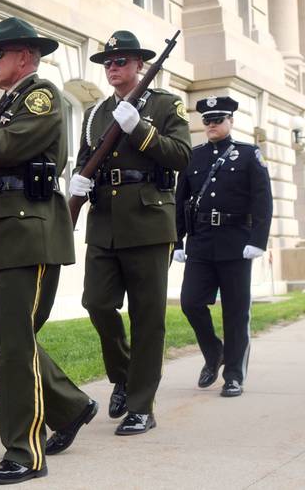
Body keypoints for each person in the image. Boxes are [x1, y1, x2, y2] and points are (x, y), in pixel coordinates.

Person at [0, 17, 98, 485]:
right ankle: (72, 406)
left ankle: (25, 452)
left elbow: (9, 146)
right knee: (8, 340)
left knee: (15, 345)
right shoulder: (3, 105)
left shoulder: (42, 94)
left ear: (27, 57)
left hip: (25, 232)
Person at [69, 30, 191, 435]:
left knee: (147, 317)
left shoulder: (165, 104)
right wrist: (77, 184)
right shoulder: (95, 113)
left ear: (141, 65)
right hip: (104, 223)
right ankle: (122, 374)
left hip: (148, 221)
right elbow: (87, 159)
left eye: (121, 61)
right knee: (97, 303)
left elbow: (181, 157)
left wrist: (140, 128)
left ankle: (141, 405)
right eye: (108, 62)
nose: (113, 67)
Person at [173, 96, 273, 397]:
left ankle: (233, 375)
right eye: (207, 120)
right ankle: (213, 352)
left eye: (217, 119)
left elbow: (262, 201)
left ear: (230, 121)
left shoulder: (248, 154)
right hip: (201, 242)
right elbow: (180, 203)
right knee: (190, 302)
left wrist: (257, 240)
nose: (212, 125)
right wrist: (178, 241)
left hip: (236, 243)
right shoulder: (194, 156)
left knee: (236, 311)